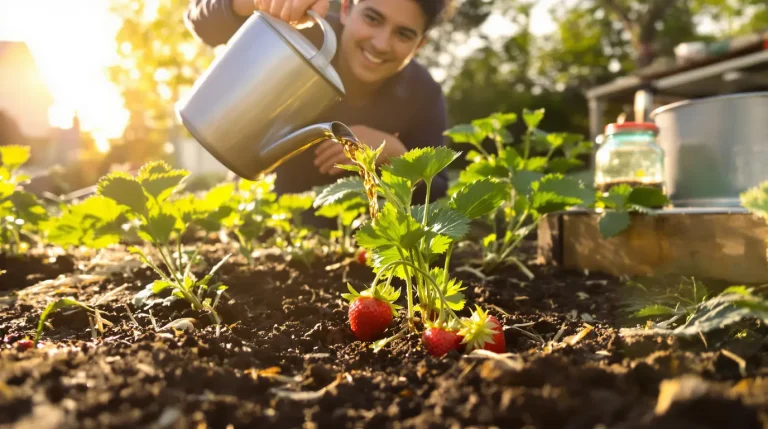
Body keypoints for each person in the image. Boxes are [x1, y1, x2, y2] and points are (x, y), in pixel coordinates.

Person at [184, 0, 455, 225]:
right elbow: (202, 24)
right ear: (347, 8)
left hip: (354, 243)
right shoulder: (299, 33)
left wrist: (397, 155)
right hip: (260, 219)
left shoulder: (423, 94)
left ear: (419, 45)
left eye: (403, 34)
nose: (382, 43)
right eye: (373, 19)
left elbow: (438, 189)